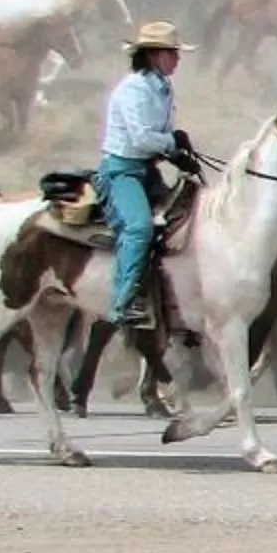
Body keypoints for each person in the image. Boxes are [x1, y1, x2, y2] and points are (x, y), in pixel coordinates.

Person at [100, 20, 200, 329]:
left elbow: (159, 135)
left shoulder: (162, 87)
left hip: (147, 170)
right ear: (155, 55)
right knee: (140, 227)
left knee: (191, 216)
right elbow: (142, 138)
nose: (178, 59)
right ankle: (123, 302)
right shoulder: (134, 90)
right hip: (123, 172)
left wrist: (178, 155)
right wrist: (174, 143)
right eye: (173, 53)